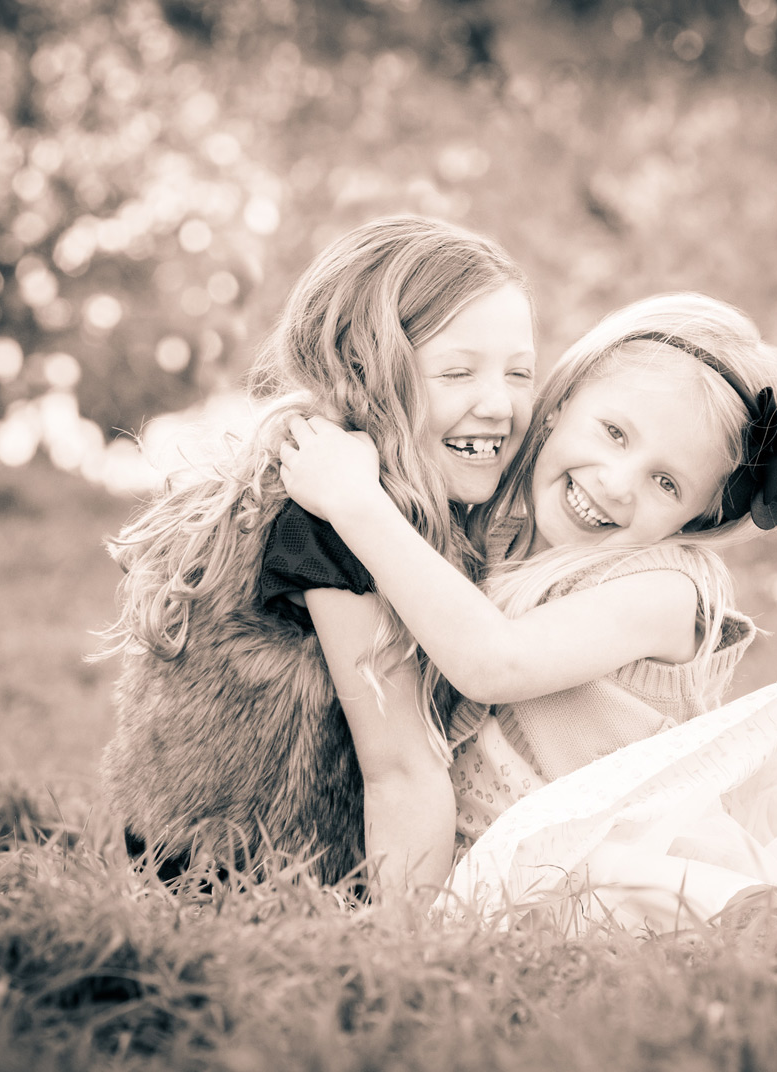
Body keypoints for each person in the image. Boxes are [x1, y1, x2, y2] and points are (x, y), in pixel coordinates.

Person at [276, 292, 777, 936]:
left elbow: (492, 662)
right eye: (613, 432)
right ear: (564, 398)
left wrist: (354, 501)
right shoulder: (477, 544)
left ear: (698, 517)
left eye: (666, 482)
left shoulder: (671, 588)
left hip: (653, 860)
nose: (616, 483)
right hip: (513, 879)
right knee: (589, 879)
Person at [95, 215, 537, 899]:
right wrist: (412, 952)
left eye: (519, 373)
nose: (499, 403)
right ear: (363, 375)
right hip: (253, 880)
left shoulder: (374, 487)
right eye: (458, 372)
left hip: (240, 862)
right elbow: (401, 771)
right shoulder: (330, 519)